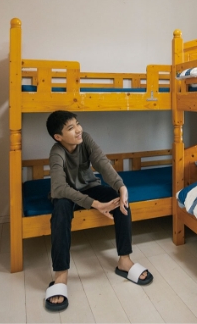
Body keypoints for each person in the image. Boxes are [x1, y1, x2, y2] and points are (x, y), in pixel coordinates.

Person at [43, 111, 153, 312]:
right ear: (58, 136)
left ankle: (124, 261)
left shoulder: (85, 140)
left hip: (89, 188)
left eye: (78, 124)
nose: (78, 130)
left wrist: (121, 187)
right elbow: (59, 188)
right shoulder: (56, 152)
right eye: (71, 128)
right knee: (60, 211)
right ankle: (60, 276)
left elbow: (102, 164)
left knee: (120, 201)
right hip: (66, 194)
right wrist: (95, 204)